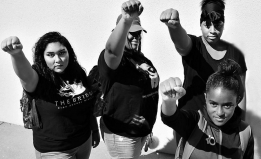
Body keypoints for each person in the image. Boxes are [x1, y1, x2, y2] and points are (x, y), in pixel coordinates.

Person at [1, 32, 100, 159]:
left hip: (83, 142)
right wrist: (16, 54)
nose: (58, 60)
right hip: (55, 150)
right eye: (50, 55)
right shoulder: (37, 78)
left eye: (62, 53)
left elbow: (87, 107)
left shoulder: (76, 72)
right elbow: (24, 75)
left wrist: (94, 130)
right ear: (43, 57)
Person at [159, 0, 247, 120]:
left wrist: (241, 128)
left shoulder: (235, 54)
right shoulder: (195, 46)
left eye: (218, 25)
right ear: (200, 25)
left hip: (222, 126)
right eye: (207, 25)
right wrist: (175, 27)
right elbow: (182, 44)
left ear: (223, 24)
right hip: (191, 123)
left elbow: (240, 94)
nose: (212, 31)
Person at [98, 0, 160, 158]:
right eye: (131, 33)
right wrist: (126, 20)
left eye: (138, 32)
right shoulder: (114, 62)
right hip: (122, 134)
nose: (136, 37)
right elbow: (112, 51)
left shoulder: (140, 59)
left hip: (140, 131)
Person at [160, 59, 254, 158]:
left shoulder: (245, 132)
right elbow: (171, 118)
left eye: (227, 105)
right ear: (205, 98)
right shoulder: (195, 122)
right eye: (213, 104)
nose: (219, 112)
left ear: (237, 101)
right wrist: (169, 101)